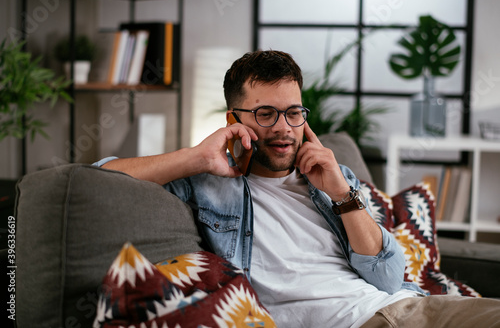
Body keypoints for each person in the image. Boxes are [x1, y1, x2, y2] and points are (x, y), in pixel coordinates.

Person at [95, 50, 500, 327]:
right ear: (234, 118)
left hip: (407, 307)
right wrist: (196, 157)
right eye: (266, 114)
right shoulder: (207, 183)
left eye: (292, 113)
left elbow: (391, 277)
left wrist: (342, 193)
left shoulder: (332, 180)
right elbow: (99, 176)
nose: (283, 128)